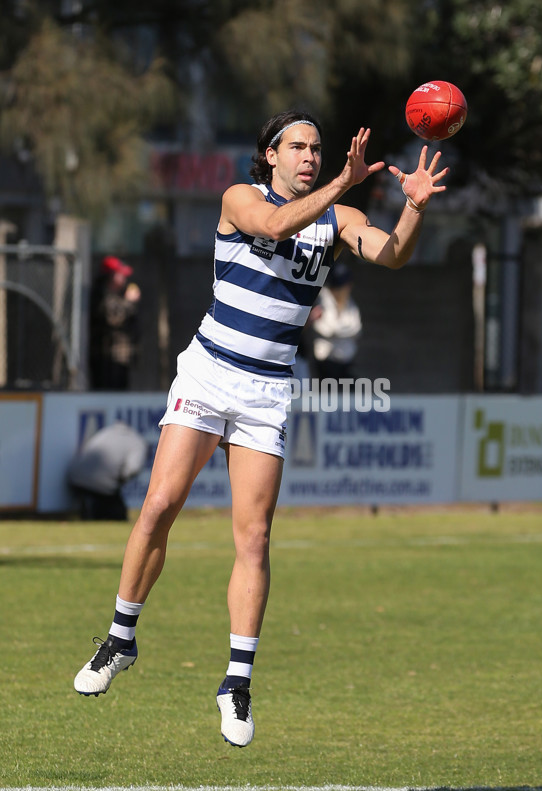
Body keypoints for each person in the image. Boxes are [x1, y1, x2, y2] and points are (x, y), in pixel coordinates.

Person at [73, 110, 448, 747]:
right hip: (209, 370)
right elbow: (274, 225)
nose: (309, 156)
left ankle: (236, 683)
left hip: (268, 388)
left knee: (254, 536)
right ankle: (119, 639)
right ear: (269, 155)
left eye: (317, 149)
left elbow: (391, 256)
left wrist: (411, 208)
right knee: (160, 504)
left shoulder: (337, 219)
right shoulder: (242, 198)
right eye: (297, 147)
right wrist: (344, 183)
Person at [67, 421, 148, 521]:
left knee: (94, 507)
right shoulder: (137, 441)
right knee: (118, 515)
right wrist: (121, 479)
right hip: (102, 486)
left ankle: (88, 512)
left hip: (75, 478)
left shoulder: (105, 432)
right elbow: (133, 468)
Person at [89, 255, 141, 390]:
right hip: (106, 359)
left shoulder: (117, 296)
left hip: (120, 358)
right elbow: (113, 319)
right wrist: (129, 301)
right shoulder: (101, 296)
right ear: (111, 276)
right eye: (120, 275)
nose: (124, 279)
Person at [311, 259, 362, 384]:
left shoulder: (349, 302)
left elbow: (357, 328)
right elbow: (328, 330)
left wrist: (338, 331)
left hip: (346, 361)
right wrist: (343, 330)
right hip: (325, 361)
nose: (345, 289)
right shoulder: (322, 298)